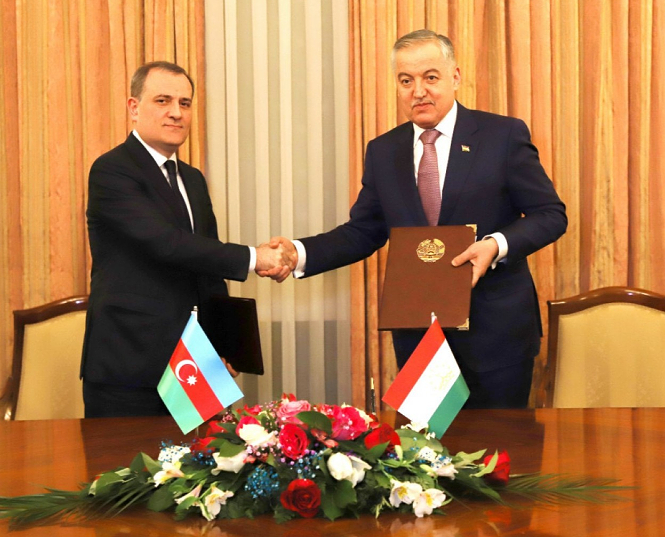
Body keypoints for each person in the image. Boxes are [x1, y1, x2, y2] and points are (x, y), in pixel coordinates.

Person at [265, 30, 567, 408]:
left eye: (430, 77)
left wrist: (495, 245)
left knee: (499, 444)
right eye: (406, 81)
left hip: (496, 335)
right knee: (424, 445)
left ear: (455, 77)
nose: (418, 91)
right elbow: (363, 231)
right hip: (420, 339)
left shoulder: (501, 135)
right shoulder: (383, 151)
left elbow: (549, 214)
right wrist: (298, 252)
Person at [81, 61, 295, 418]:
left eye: (185, 103)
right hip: (130, 364)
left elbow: (206, 270)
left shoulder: (192, 179)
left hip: (195, 365)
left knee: (203, 455)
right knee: (128, 457)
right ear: (134, 107)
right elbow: (166, 243)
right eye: (162, 101)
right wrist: (255, 258)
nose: (176, 113)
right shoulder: (112, 170)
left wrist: (223, 346)